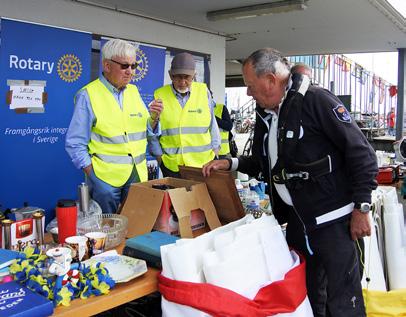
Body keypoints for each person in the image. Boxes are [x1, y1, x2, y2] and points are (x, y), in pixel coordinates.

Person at [203, 48, 378, 317]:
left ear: (271, 80)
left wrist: (362, 208)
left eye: (250, 86)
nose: (248, 93)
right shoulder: (267, 114)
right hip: (299, 222)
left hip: (334, 225)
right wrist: (232, 163)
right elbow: (267, 164)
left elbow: (362, 153)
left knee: (344, 301)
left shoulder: (317, 101)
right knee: (307, 298)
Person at [66, 38, 162, 214]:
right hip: (105, 179)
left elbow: (145, 130)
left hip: (137, 175)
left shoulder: (133, 92)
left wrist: (154, 119)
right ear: (107, 66)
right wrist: (94, 176)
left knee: (134, 226)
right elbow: (75, 143)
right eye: (125, 66)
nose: (130, 72)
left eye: (134, 66)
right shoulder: (88, 95)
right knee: (105, 231)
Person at [153, 52, 220, 178]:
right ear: (170, 75)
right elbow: (151, 130)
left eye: (187, 77)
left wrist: (215, 151)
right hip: (172, 166)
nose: (182, 82)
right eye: (178, 77)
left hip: (203, 165)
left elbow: (212, 124)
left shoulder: (204, 92)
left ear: (194, 75)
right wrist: (159, 156)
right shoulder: (159, 95)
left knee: (200, 198)